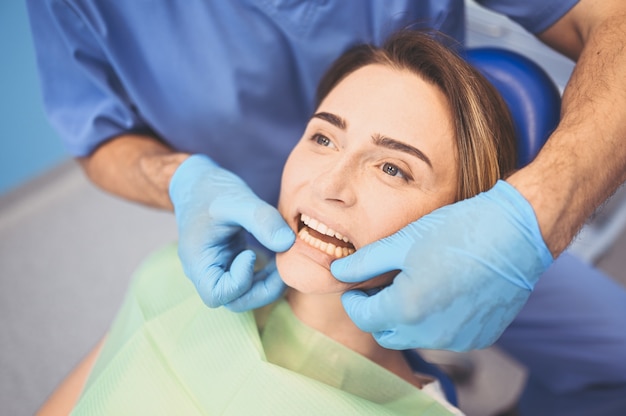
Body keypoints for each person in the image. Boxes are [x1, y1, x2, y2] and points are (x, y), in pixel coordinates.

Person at [26, 1, 626, 414]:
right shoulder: (168, 280)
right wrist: (182, 178)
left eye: (393, 166)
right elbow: (97, 134)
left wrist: (526, 225)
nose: (329, 184)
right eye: (321, 136)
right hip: (258, 236)